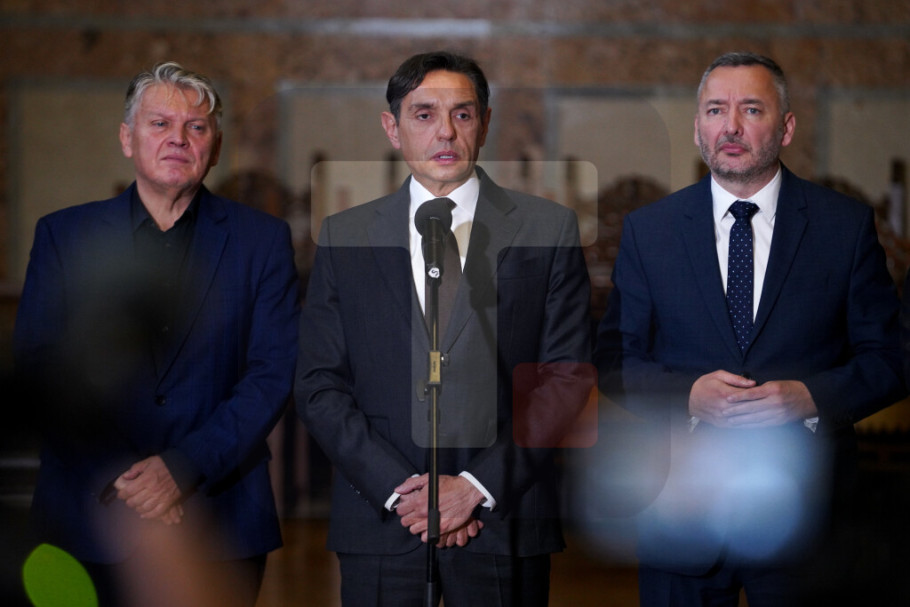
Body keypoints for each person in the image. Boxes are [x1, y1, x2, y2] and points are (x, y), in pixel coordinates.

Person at [595, 51, 905, 606]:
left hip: (807, 519)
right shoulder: (650, 230)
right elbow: (615, 360)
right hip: (680, 513)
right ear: (698, 128)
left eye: (752, 109)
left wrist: (810, 397)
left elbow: (890, 357)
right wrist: (688, 395)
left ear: (786, 128)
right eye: (716, 110)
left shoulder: (843, 226)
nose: (731, 126)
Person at [295, 51, 593, 606]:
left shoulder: (547, 228)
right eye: (424, 114)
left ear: (484, 123)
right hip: (383, 523)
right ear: (393, 128)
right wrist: (403, 493)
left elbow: (565, 377)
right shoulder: (345, 235)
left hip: (503, 521)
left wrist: (475, 488)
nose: (446, 132)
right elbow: (319, 383)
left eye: (462, 114)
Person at [14, 62, 299, 606]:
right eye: (160, 123)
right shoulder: (63, 235)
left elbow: (271, 373)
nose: (178, 139)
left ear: (215, 147)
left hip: (220, 514)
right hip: (85, 513)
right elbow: (41, 367)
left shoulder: (262, 241)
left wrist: (181, 469)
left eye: (196, 127)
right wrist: (130, 478)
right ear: (127, 138)